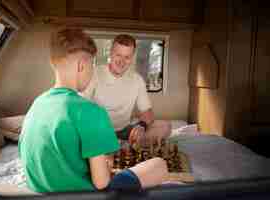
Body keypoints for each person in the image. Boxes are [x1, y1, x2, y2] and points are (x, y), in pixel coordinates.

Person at [18, 28, 169, 193]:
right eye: (92, 64)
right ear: (82, 66)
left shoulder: (37, 103)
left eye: (127, 57)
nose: (92, 70)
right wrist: (107, 161)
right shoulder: (92, 112)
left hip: (40, 190)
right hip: (83, 192)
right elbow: (101, 182)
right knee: (159, 165)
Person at [83, 34, 170, 145]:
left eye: (127, 57)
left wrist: (141, 126)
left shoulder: (137, 80)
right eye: (118, 55)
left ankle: (121, 146)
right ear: (111, 53)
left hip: (124, 131)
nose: (122, 61)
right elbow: (81, 108)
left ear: (132, 57)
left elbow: (147, 112)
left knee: (165, 126)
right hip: (98, 131)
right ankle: (117, 147)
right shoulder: (94, 74)